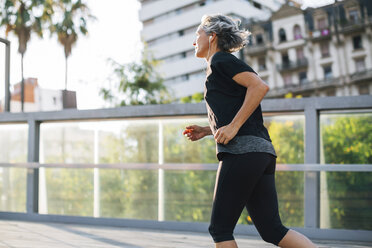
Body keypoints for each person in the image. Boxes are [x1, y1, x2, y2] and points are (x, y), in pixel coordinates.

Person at [183, 14, 317, 248]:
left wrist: (233, 127)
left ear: (212, 36)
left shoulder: (221, 61)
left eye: (197, 35)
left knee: (220, 229)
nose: (194, 42)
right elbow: (234, 106)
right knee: (272, 230)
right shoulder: (220, 66)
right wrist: (207, 130)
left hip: (243, 152)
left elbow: (259, 86)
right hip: (259, 152)